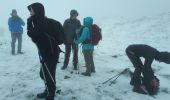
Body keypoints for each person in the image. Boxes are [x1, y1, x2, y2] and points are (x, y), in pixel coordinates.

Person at [27, 3, 63, 100]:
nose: (30, 12)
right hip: (45, 52)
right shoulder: (40, 21)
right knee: (45, 73)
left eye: (31, 10)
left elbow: (31, 34)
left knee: (47, 74)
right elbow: (36, 38)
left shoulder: (42, 22)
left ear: (37, 10)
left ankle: (51, 93)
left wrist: (29, 21)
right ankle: (48, 90)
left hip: (50, 52)